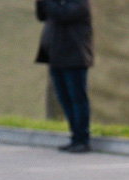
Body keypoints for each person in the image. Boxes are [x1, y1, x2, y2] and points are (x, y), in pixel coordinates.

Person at [35, 0, 94, 153]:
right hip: (56, 58)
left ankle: (82, 139)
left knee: (78, 99)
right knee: (65, 99)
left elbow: (63, 15)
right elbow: (42, 16)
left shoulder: (80, 3)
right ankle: (75, 136)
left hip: (75, 58)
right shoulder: (58, 3)